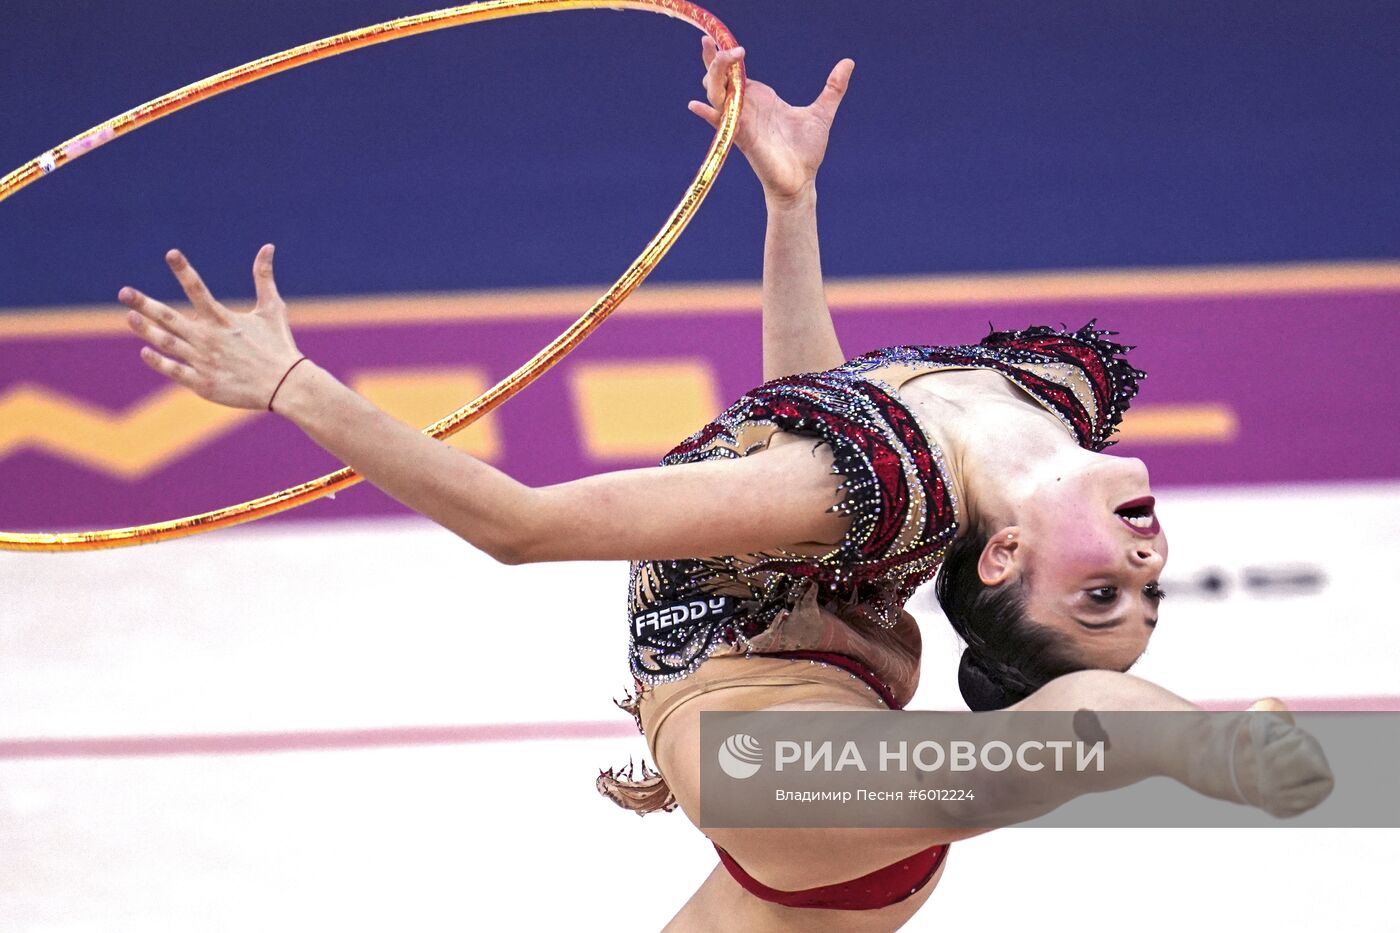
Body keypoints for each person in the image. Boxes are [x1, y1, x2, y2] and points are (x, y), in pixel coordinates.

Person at [116, 39, 1331, 932]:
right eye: (1140, 598)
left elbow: (522, 526)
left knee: (1086, 735)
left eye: (1102, 605)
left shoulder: (892, 495)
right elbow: (807, 426)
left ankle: (1242, 759)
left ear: (1005, 563)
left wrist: (290, 386)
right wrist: (788, 204)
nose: (1146, 570)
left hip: (791, 778)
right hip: (814, 823)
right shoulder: (1038, 406)